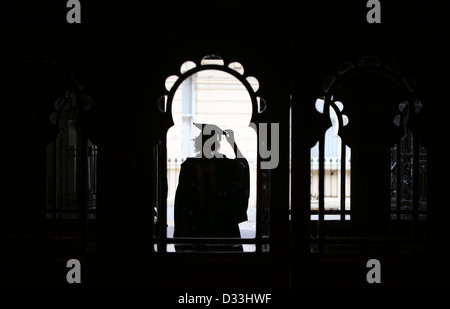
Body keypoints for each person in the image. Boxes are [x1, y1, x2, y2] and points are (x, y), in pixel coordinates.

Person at [173, 123, 250, 252]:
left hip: (220, 228)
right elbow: (181, 200)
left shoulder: (223, 164)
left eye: (211, 142)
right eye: (205, 141)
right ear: (200, 144)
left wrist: (232, 143)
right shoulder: (189, 166)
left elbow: (242, 165)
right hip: (197, 228)